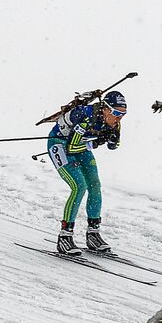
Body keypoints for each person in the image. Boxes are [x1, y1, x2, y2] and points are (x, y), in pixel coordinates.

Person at [46, 90, 126, 255]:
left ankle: (93, 234)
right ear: (105, 108)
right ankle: (65, 236)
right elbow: (71, 147)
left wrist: (110, 139)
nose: (119, 118)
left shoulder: (115, 122)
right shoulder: (87, 117)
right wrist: (96, 143)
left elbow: (114, 146)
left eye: (123, 114)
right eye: (117, 113)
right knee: (79, 186)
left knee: (95, 185)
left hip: (80, 146)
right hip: (60, 144)